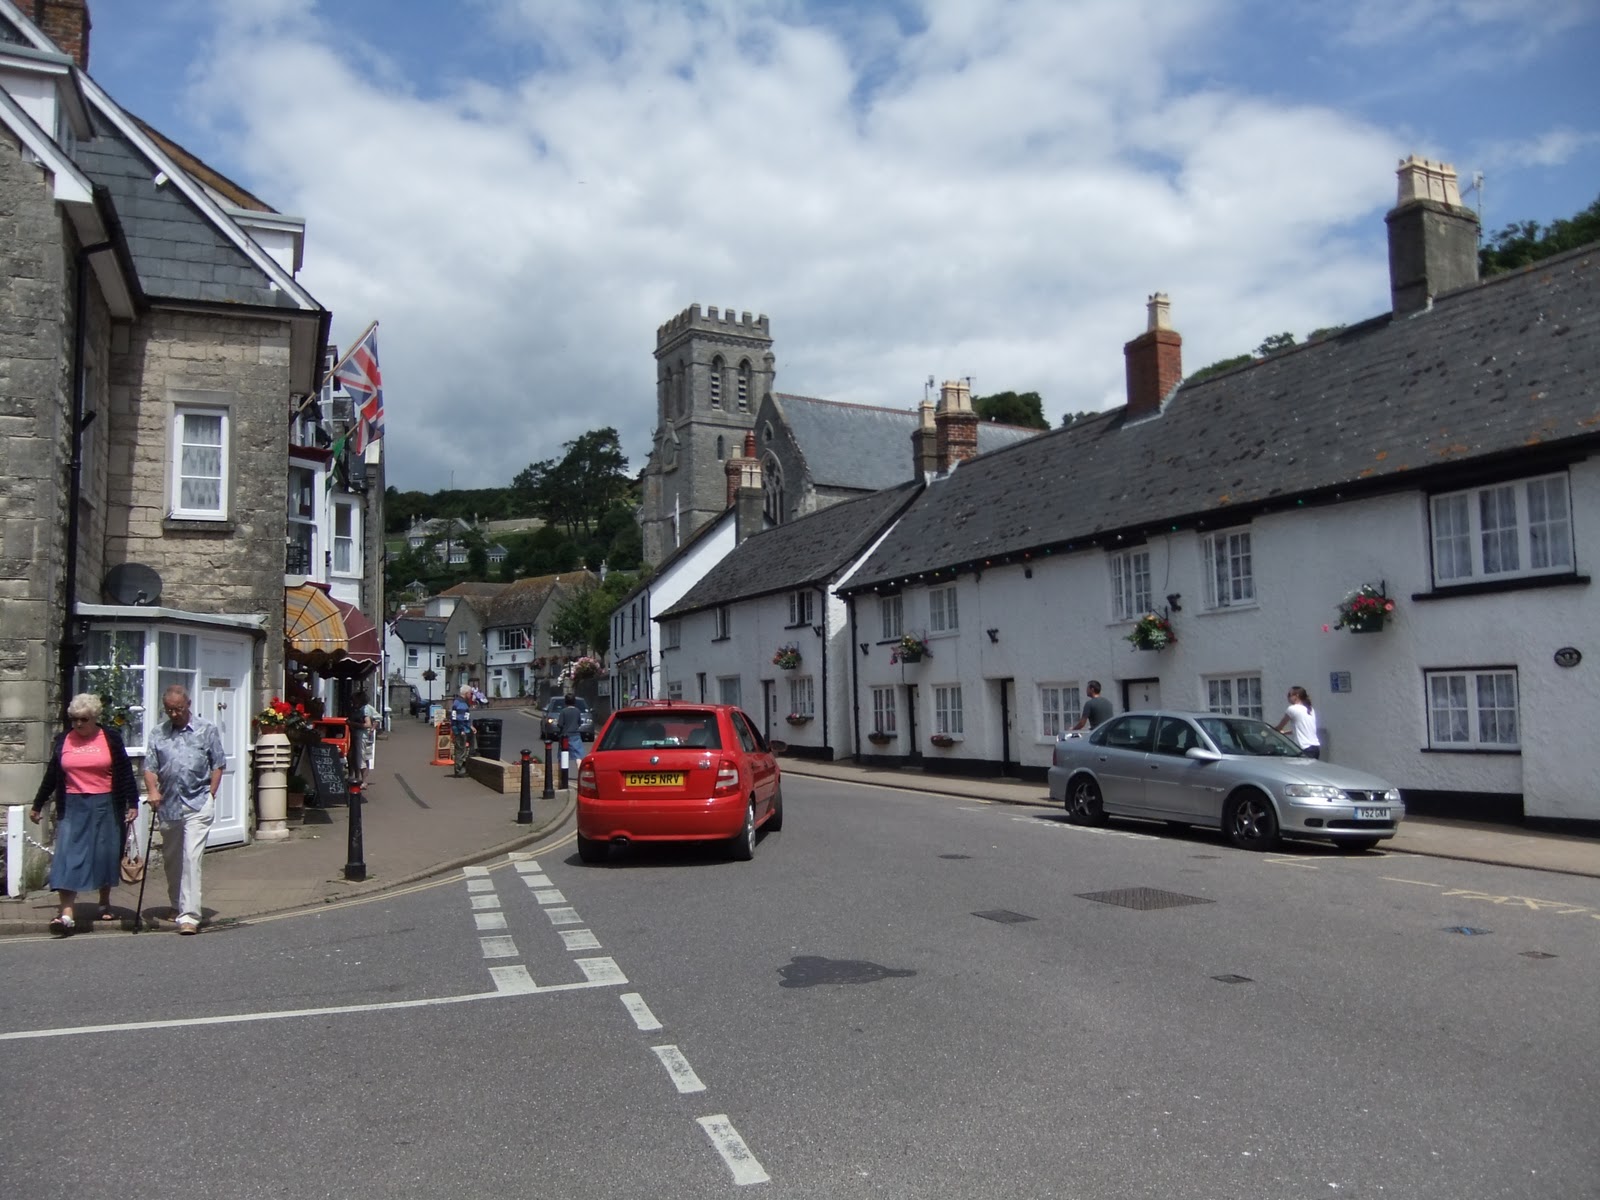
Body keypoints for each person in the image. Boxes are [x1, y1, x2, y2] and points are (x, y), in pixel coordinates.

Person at [29, 693, 141, 936]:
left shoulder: (110, 738)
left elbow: (124, 772)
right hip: (72, 804)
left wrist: (133, 802)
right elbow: (52, 775)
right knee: (67, 856)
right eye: (74, 719)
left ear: (94, 718)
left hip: (105, 804)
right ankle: (67, 914)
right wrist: (38, 804)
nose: (78, 724)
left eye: (83, 719)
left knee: (104, 854)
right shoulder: (63, 740)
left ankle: (103, 902)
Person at [143, 684, 226, 935]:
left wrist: (211, 794)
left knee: (191, 858)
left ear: (188, 705)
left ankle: (190, 915)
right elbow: (149, 767)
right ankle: (176, 904)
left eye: (178, 709)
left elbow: (218, 764)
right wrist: (153, 790)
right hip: (169, 805)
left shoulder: (207, 730)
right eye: (169, 710)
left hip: (198, 802)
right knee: (172, 860)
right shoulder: (158, 733)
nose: (174, 714)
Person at [1275, 686, 1321, 758]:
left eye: (1289, 695)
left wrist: (1272, 730)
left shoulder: (1292, 709)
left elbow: (1279, 727)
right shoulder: (1310, 709)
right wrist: (1285, 732)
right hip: (1315, 748)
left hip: (1304, 748)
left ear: (1297, 696)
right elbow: (1303, 729)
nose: (1287, 697)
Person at [449, 685, 475, 777]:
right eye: (470, 693)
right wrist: (462, 730)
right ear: (466, 693)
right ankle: (459, 770)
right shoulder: (461, 704)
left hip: (460, 729)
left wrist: (470, 726)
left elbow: (462, 718)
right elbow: (460, 719)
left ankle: (460, 769)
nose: (471, 695)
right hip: (461, 730)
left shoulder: (457, 701)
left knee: (461, 749)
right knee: (461, 750)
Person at [556, 692, 586, 768]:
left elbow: (560, 724)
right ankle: (579, 773)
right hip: (575, 736)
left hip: (565, 736)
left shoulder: (563, 711)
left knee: (562, 756)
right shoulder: (577, 711)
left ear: (565, 701)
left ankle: (561, 774)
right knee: (578, 756)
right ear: (574, 701)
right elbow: (579, 723)